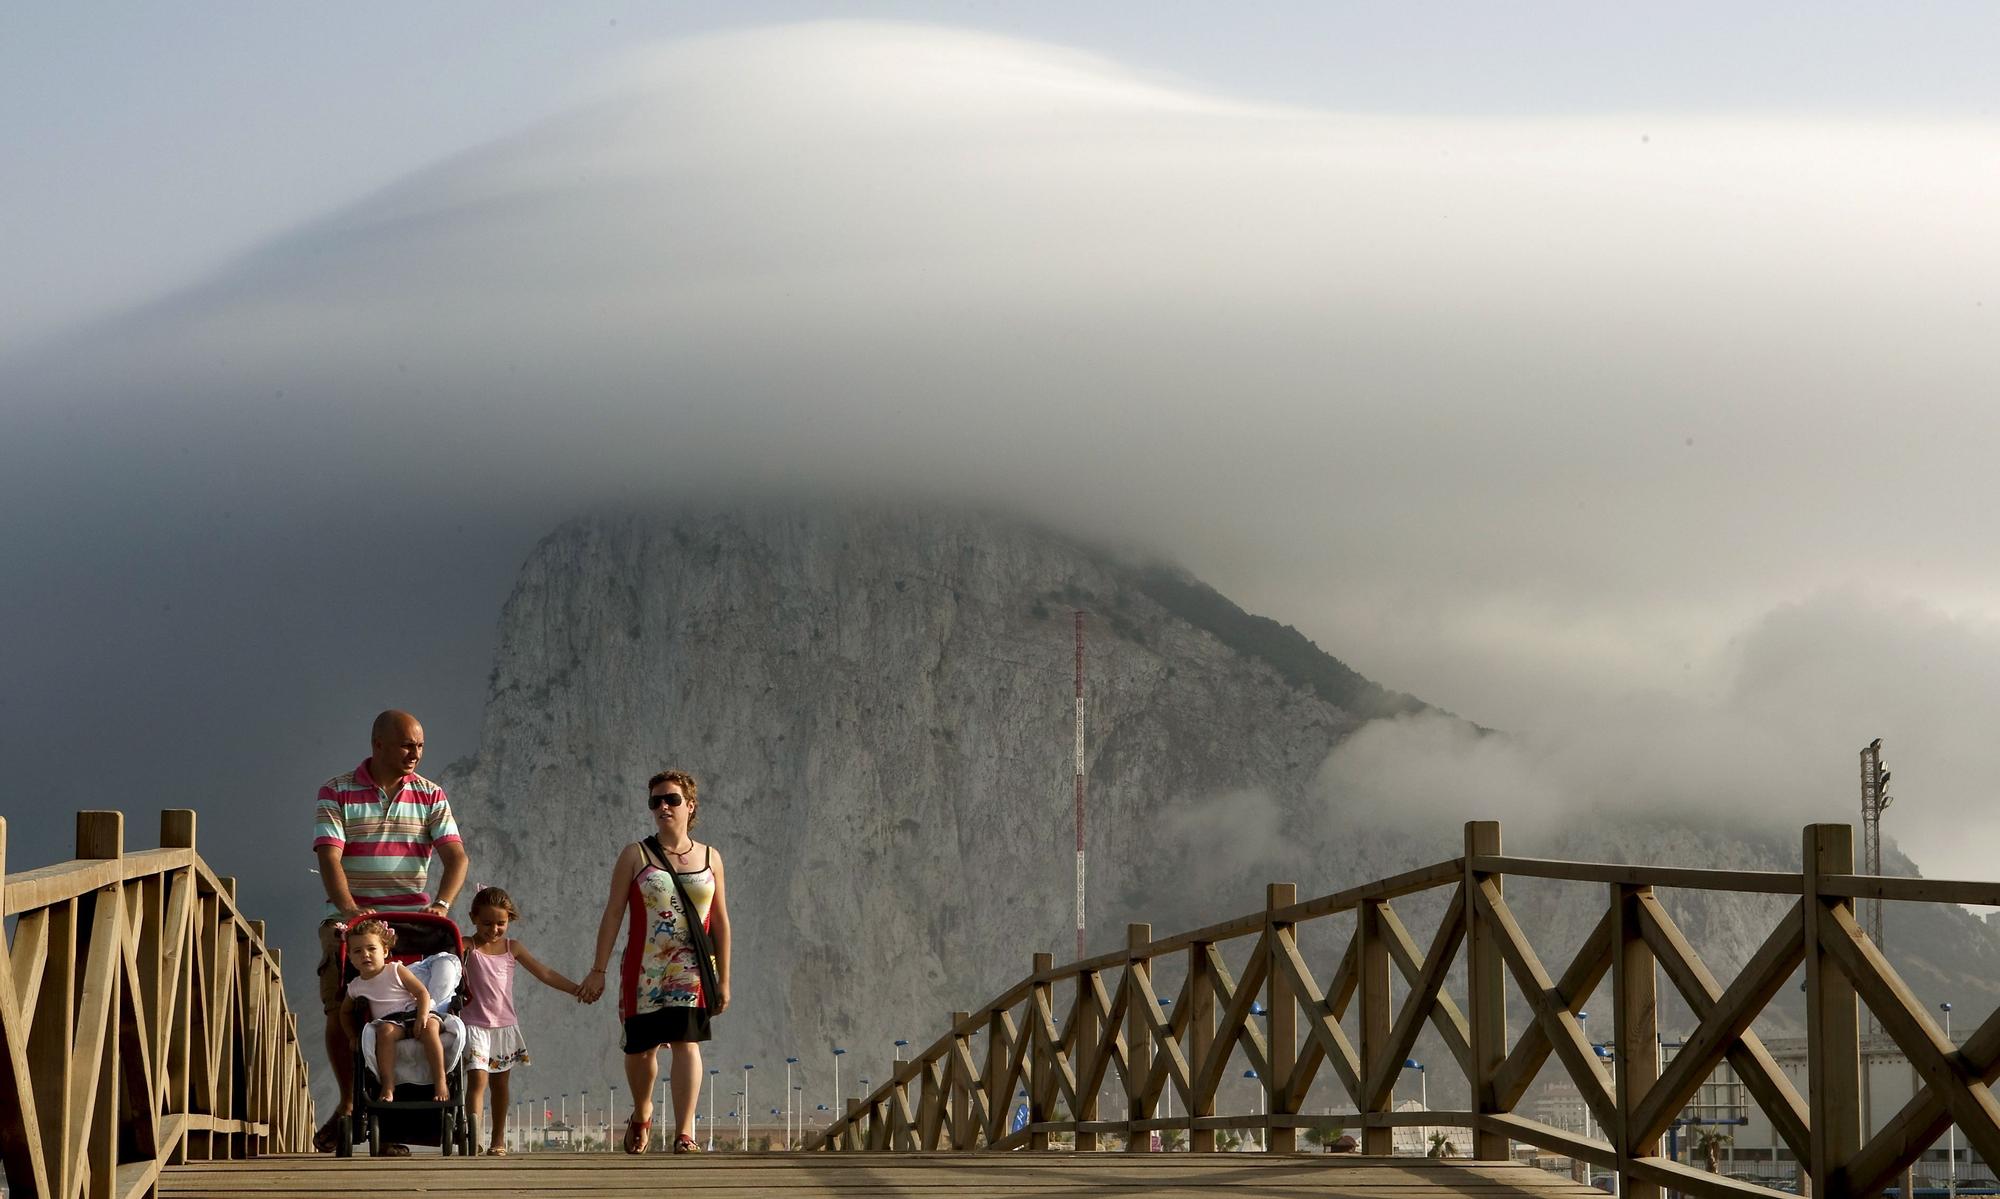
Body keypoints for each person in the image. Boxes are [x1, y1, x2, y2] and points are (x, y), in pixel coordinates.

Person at [311, 709, 468, 1151]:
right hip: (351, 918)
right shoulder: (336, 791)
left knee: (417, 1003)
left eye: (419, 745)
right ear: (377, 744)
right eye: (406, 745)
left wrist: (441, 904)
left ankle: (396, 1109)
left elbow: (455, 857)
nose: (415, 753)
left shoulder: (430, 794)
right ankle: (349, 1103)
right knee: (341, 1003)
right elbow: (329, 856)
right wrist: (349, 908)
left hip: (411, 922)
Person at [577, 769, 732, 1154]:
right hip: (643, 968)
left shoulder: (711, 857)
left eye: (672, 799)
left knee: (686, 1043)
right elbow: (613, 913)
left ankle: (684, 1133)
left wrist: (724, 979)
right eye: (656, 801)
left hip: (692, 970)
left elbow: (721, 921)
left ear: (690, 806)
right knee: (640, 1050)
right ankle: (643, 1109)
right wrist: (599, 969)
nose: (663, 806)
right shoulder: (636, 855)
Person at [461, 884, 587, 1156]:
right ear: (472, 918)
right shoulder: (466, 946)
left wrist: (575, 989)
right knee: (477, 1080)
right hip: (474, 1026)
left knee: (500, 1085)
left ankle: (497, 1140)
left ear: (509, 921)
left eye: (500, 923)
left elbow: (545, 973)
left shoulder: (512, 948)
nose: (493, 930)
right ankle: (474, 1137)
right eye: (486, 923)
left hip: (504, 1027)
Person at [342, 919, 451, 1103]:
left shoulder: (395, 970)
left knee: (430, 1028)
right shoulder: (355, 986)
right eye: (357, 951)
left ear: (385, 951)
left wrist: (422, 1016)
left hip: (416, 1013)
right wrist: (352, 1035)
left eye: (371, 949)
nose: (365, 955)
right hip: (391, 1022)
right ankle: (388, 1085)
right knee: (384, 1032)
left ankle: (440, 1081)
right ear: (350, 958)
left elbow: (422, 993)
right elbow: (344, 1013)